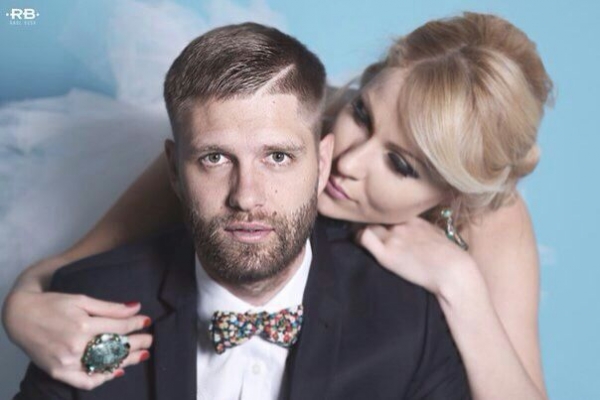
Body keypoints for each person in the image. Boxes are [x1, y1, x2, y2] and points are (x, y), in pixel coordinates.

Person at [3, 12, 552, 400]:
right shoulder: (263, 131)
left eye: (400, 164)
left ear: (452, 195)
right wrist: (21, 305)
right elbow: (79, 261)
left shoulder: (489, 222)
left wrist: (460, 284)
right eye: (363, 114)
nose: (349, 161)